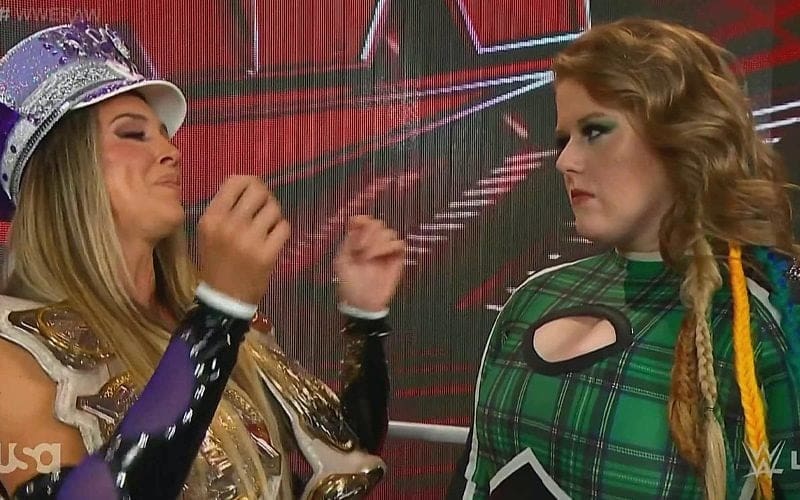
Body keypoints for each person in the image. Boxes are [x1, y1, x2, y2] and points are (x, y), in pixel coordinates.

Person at [0, 21, 405, 499]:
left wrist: (365, 320)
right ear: (62, 173)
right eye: (133, 134)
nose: (170, 151)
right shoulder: (15, 352)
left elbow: (342, 459)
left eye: (165, 135)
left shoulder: (220, 329)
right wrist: (219, 312)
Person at [448, 17, 800, 500]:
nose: (564, 161)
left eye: (594, 130)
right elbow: (473, 479)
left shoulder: (754, 329)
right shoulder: (533, 297)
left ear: (681, 136)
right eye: (563, 139)